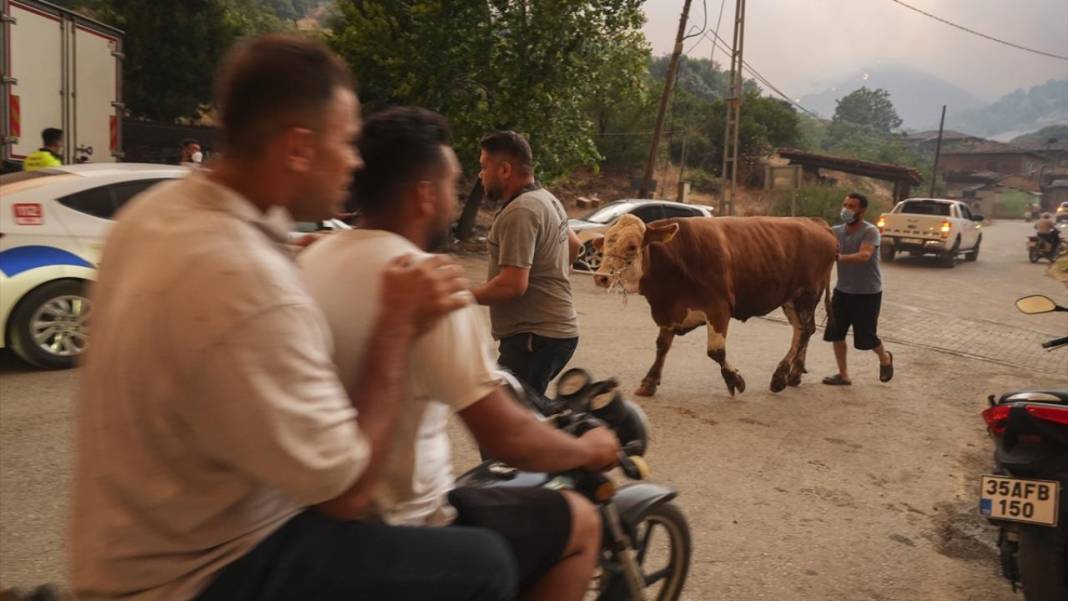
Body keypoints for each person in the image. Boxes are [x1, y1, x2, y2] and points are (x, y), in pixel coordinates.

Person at [70, 35, 518, 601]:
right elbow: (347, 490)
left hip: (122, 555)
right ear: (299, 149)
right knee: (485, 564)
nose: (354, 162)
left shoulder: (157, 215)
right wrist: (395, 324)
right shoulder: (247, 281)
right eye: (347, 141)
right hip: (207, 569)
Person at [299, 107, 620, 601]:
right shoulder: (425, 285)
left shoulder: (313, 258)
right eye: (452, 184)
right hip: (404, 523)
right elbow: (508, 435)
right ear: (425, 195)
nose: (457, 199)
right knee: (578, 523)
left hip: (313, 521)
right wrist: (589, 450)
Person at [472, 131, 582, 395]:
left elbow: (512, 286)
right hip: (554, 333)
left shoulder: (521, 210)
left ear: (505, 170)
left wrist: (459, 295)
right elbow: (575, 245)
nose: (480, 175)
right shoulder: (547, 199)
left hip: (535, 336)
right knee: (528, 413)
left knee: (509, 415)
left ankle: (587, 432)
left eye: (484, 167)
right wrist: (550, 273)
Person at [822, 192, 894, 386]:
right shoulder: (835, 231)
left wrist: (838, 258)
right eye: (845, 204)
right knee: (836, 334)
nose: (846, 210)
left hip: (867, 293)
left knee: (867, 338)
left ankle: (885, 358)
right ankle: (843, 374)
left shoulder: (870, 231)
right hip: (843, 291)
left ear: (862, 210)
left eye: (852, 206)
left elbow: (864, 256)